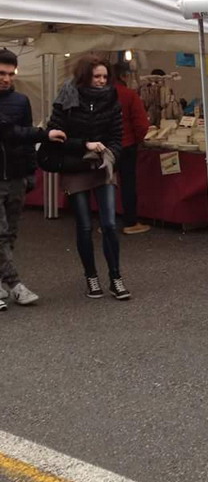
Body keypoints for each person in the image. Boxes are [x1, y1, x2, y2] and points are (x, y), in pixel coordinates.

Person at [47, 55, 131, 300]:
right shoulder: (67, 97)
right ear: (85, 76)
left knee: (109, 224)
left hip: (102, 167)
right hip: (75, 166)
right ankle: (91, 277)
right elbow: (55, 135)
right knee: (84, 226)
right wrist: (85, 144)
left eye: (105, 77)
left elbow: (117, 136)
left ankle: (116, 277)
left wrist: (111, 155)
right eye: (97, 76)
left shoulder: (111, 99)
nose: (101, 81)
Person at [0, 49, 66, 310]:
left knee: (11, 233)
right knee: (0, 233)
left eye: (10, 74)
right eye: (1, 73)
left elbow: (25, 139)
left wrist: (30, 172)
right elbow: (8, 131)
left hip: (16, 175)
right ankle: (15, 284)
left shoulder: (21, 101)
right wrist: (44, 134)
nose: (6, 78)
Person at [113, 61, 150, 235]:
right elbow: (141, 124)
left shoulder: (100, 94)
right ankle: (130, 222)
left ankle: (107, 222)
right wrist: (138, 139)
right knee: (128, 183)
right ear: (124, 76)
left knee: (104, 184)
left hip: (104, 146)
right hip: (126, 145)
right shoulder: (129, 95)